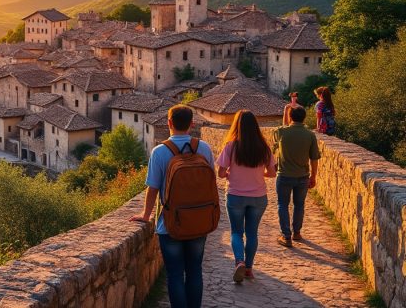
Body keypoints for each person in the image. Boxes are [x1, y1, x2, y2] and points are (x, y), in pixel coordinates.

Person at [130, 105, 215, 308]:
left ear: (169, 123)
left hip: (170, 225)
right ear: (191, 124)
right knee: (195, 271)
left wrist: (146, 214)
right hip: (199, 221)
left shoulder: (159, 152)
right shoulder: (204, 148)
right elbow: (211, 183)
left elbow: (153, 188)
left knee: (175, 274)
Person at [216, 110, 276, 283]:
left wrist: (229, 173)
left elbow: (220, 173)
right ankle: (248, 269)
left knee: (236, 232)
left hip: (235, 196)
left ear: (238, 125)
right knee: (252, 234)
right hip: (258, 197)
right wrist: (258, 174)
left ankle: (239, 261)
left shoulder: (231, 146)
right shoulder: (264, 148)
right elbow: (272, 173)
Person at [273, 106, 321, 247]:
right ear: (304, 117)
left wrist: (285, 113)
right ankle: (297, 233)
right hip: (302, 176)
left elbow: (277, 139)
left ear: (290, 116)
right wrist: (313, 176)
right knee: (299, 205)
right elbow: (314, 158)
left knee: (283, 205)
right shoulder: (310, 135)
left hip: (284, 175)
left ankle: (286, 236)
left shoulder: (281, 132)